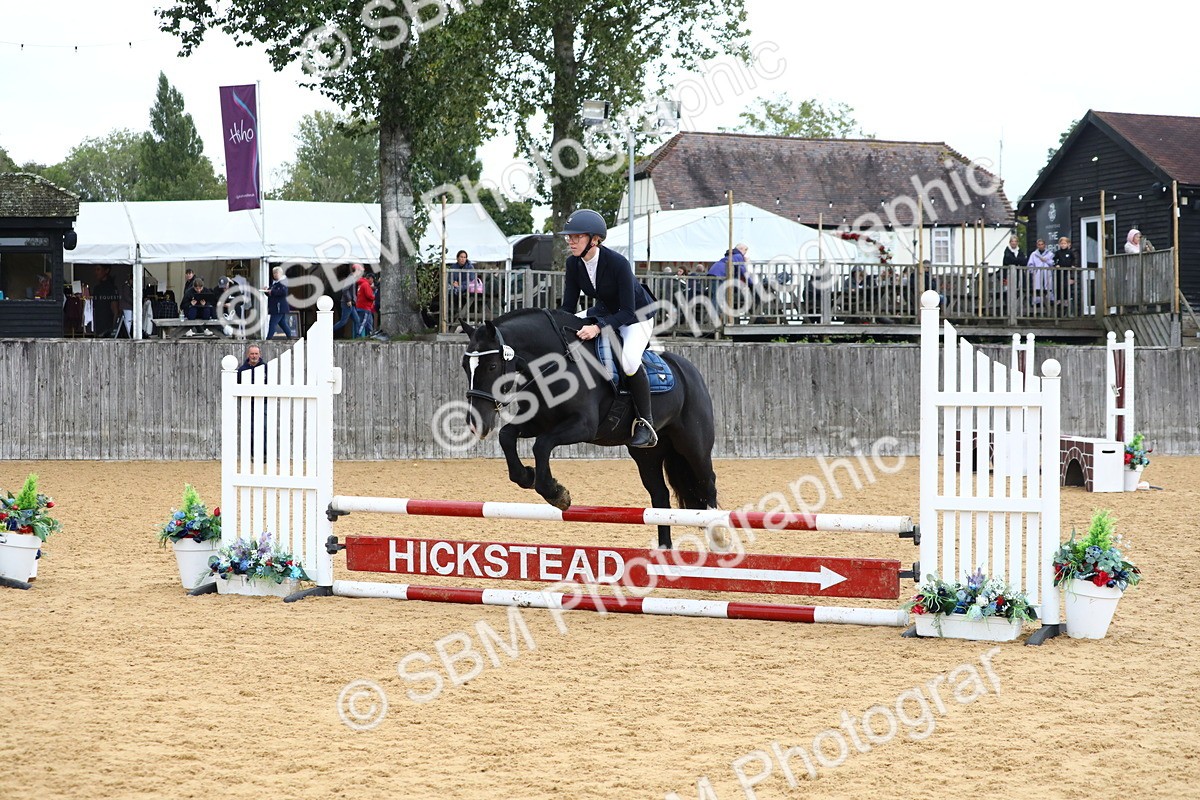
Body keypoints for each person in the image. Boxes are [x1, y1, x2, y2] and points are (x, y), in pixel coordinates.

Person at [557, 208, 659, 448]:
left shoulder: (617, 263)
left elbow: (627, 311)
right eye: (569, 237)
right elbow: (568, 308)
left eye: (576, 237)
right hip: (605, 311)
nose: (570, 241)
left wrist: (597, 328)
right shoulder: (574, 264)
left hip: (637, 317)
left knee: (630, 361)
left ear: (594, 240)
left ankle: (646, 422)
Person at [331, 264, 363, 338]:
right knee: (343, 321)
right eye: (360, 271)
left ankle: (358, 336)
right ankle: (328, 331)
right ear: (357, 270)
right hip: (347, 303)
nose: (361, 273)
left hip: (350, 303)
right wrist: (348, 300)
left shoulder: (352, 278)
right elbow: (345, 290)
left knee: (357, 320)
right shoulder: (350, 278)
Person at [264, 266, 294, 339]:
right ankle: (290, 337)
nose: (274, 274)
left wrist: (272, 291)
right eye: (273, 273)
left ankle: (268, 339)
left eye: (276, 273)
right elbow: (271, 293)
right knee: (282, 323)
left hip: (279, 307)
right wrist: (266, 291)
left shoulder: (283, 282)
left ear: (280, 273)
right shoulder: (275, 283)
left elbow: (283, 292)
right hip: (275, 306)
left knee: (272, 323)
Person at [91, 265, 119, 337]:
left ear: (106, 270)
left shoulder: (111, 288)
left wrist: (113, 330)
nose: (96, 272)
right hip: (98, 328)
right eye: (95, 270)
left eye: (98, 269)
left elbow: (115, 311)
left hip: (107, 329)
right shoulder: (96, 288)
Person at [1026, 239, 1055, 307]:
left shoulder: (1050, 254)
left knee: (1048, 286)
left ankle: (1049, 300)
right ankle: (1037, 301)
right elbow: (1030, 265)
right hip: (1037, 274)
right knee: (1037, 287)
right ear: (1037, 245)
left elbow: (1053, 263)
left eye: (1042, 244)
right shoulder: (1034, 254)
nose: (1041, 246)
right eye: (1039, 244)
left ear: (1044, 245)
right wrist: (1034, 271)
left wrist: (1046, 260)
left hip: (1047, 273)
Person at [1054, 236, 1078, 314]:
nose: (1063, 245)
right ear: (1059, 244)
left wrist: (1073, 265)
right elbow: (1055, 260)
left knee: (1065, 286)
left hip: (1067, 272)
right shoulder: (1058, 252)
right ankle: (1058, 299)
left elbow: (1073, 259)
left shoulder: (1070, 252)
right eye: (1062, 243)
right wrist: (1057, 264)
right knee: (1058, 285)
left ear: (1068, 244)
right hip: (1059, 271)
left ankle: (1066, 300)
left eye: (1065, 243)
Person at [355, 266, 376, 338]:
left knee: (369, 322)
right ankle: (358, 335)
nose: (373, 281)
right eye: (373, 279)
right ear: (370, 278)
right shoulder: (366, 285)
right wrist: (374, 296)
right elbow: (369, 296)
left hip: (362, 306)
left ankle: (371, 334)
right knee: (363, 322)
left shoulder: (361, 284)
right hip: (365, 307)